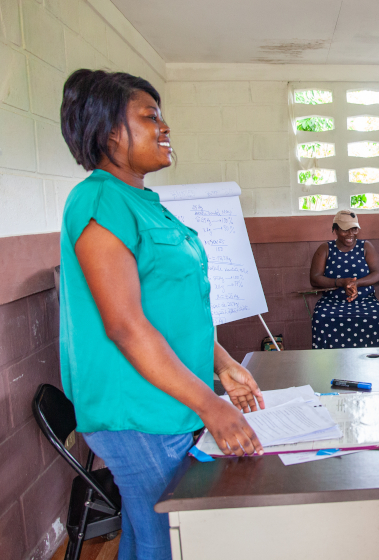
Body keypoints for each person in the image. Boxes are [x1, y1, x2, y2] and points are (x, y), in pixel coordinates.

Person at [58, 70, 264, 560]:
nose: (164, 127)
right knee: (166, 541)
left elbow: (172, 308)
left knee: (153, 536)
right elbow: (126, 325)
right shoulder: (100, 198)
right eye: (149, 117)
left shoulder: (146, 203)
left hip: (167, 402)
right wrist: (212, 406)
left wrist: (221, 363)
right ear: (108, 131)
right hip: (136, 410)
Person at [309, 210, 379, 349]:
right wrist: (340, 282)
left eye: (354, 229)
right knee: (321, 318)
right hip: (331, 302)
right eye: (345, 230)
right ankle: (329, 365)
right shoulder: (325, 249)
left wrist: (355, 283)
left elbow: (378, 274)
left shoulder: (365, 247)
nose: (350, 234)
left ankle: (375, 365)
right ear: (335, 229)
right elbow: (315, 279)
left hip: (365, 301)